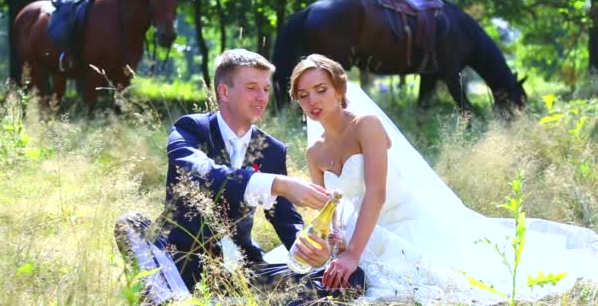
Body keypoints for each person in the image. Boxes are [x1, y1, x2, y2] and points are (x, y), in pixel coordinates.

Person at [288, 54, 598, 304]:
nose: (312, 100)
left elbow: (377, 193)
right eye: (303, 95)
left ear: (340, 90)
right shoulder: (314, 151)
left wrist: (354, 254)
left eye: (321, 89)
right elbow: (328, 211)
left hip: (404, 222)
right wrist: (332, 245)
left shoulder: (365, 125)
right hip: (360, 229)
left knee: (450, 281)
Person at [154, 49, 365, 301]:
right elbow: (201, 172)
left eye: (266, 88)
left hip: (243, 270)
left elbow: (285, 219)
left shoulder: (272, 150)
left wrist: (308, 248)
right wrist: (279, 184)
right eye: (252, 87)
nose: (261, 97)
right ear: (224, 92)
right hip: (185, 265)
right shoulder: (191, 129)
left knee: (350, 279)